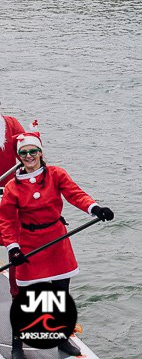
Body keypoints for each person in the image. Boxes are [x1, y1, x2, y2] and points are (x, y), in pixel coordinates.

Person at [0, 131, 114, 359]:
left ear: (41, 153)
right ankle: (17, 345)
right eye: (24, 153)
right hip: (28, 245)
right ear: (19, 157)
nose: (29, 156)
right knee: (25, 297)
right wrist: (13, 248)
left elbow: (75, 195)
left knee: (60, 294)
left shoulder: (56, 174)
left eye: (33, 151)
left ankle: (62, 341)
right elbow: (7, 221)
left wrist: (95, 208)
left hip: (56, 242)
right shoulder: (13, 187)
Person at [0, 113, 25, 300]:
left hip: (8, 195)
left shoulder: (10, 124)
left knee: (15, 245)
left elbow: (27, 153)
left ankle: (17, 294)